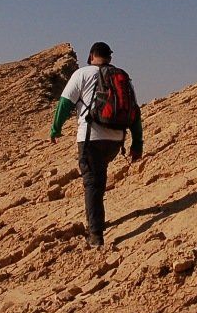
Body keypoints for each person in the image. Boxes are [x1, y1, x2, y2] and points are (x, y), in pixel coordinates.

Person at [49, 42, 144, 247]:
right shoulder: (121, 76)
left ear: (91, 55)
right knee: (98, 180)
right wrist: (137, 144)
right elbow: (135, 112)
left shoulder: (82, 74)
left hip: (91, 138)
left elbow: (65, 102)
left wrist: (56, 128)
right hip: (115, 140)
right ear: (109, 57)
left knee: (92, 183)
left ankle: (95, 235)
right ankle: (97, 221)